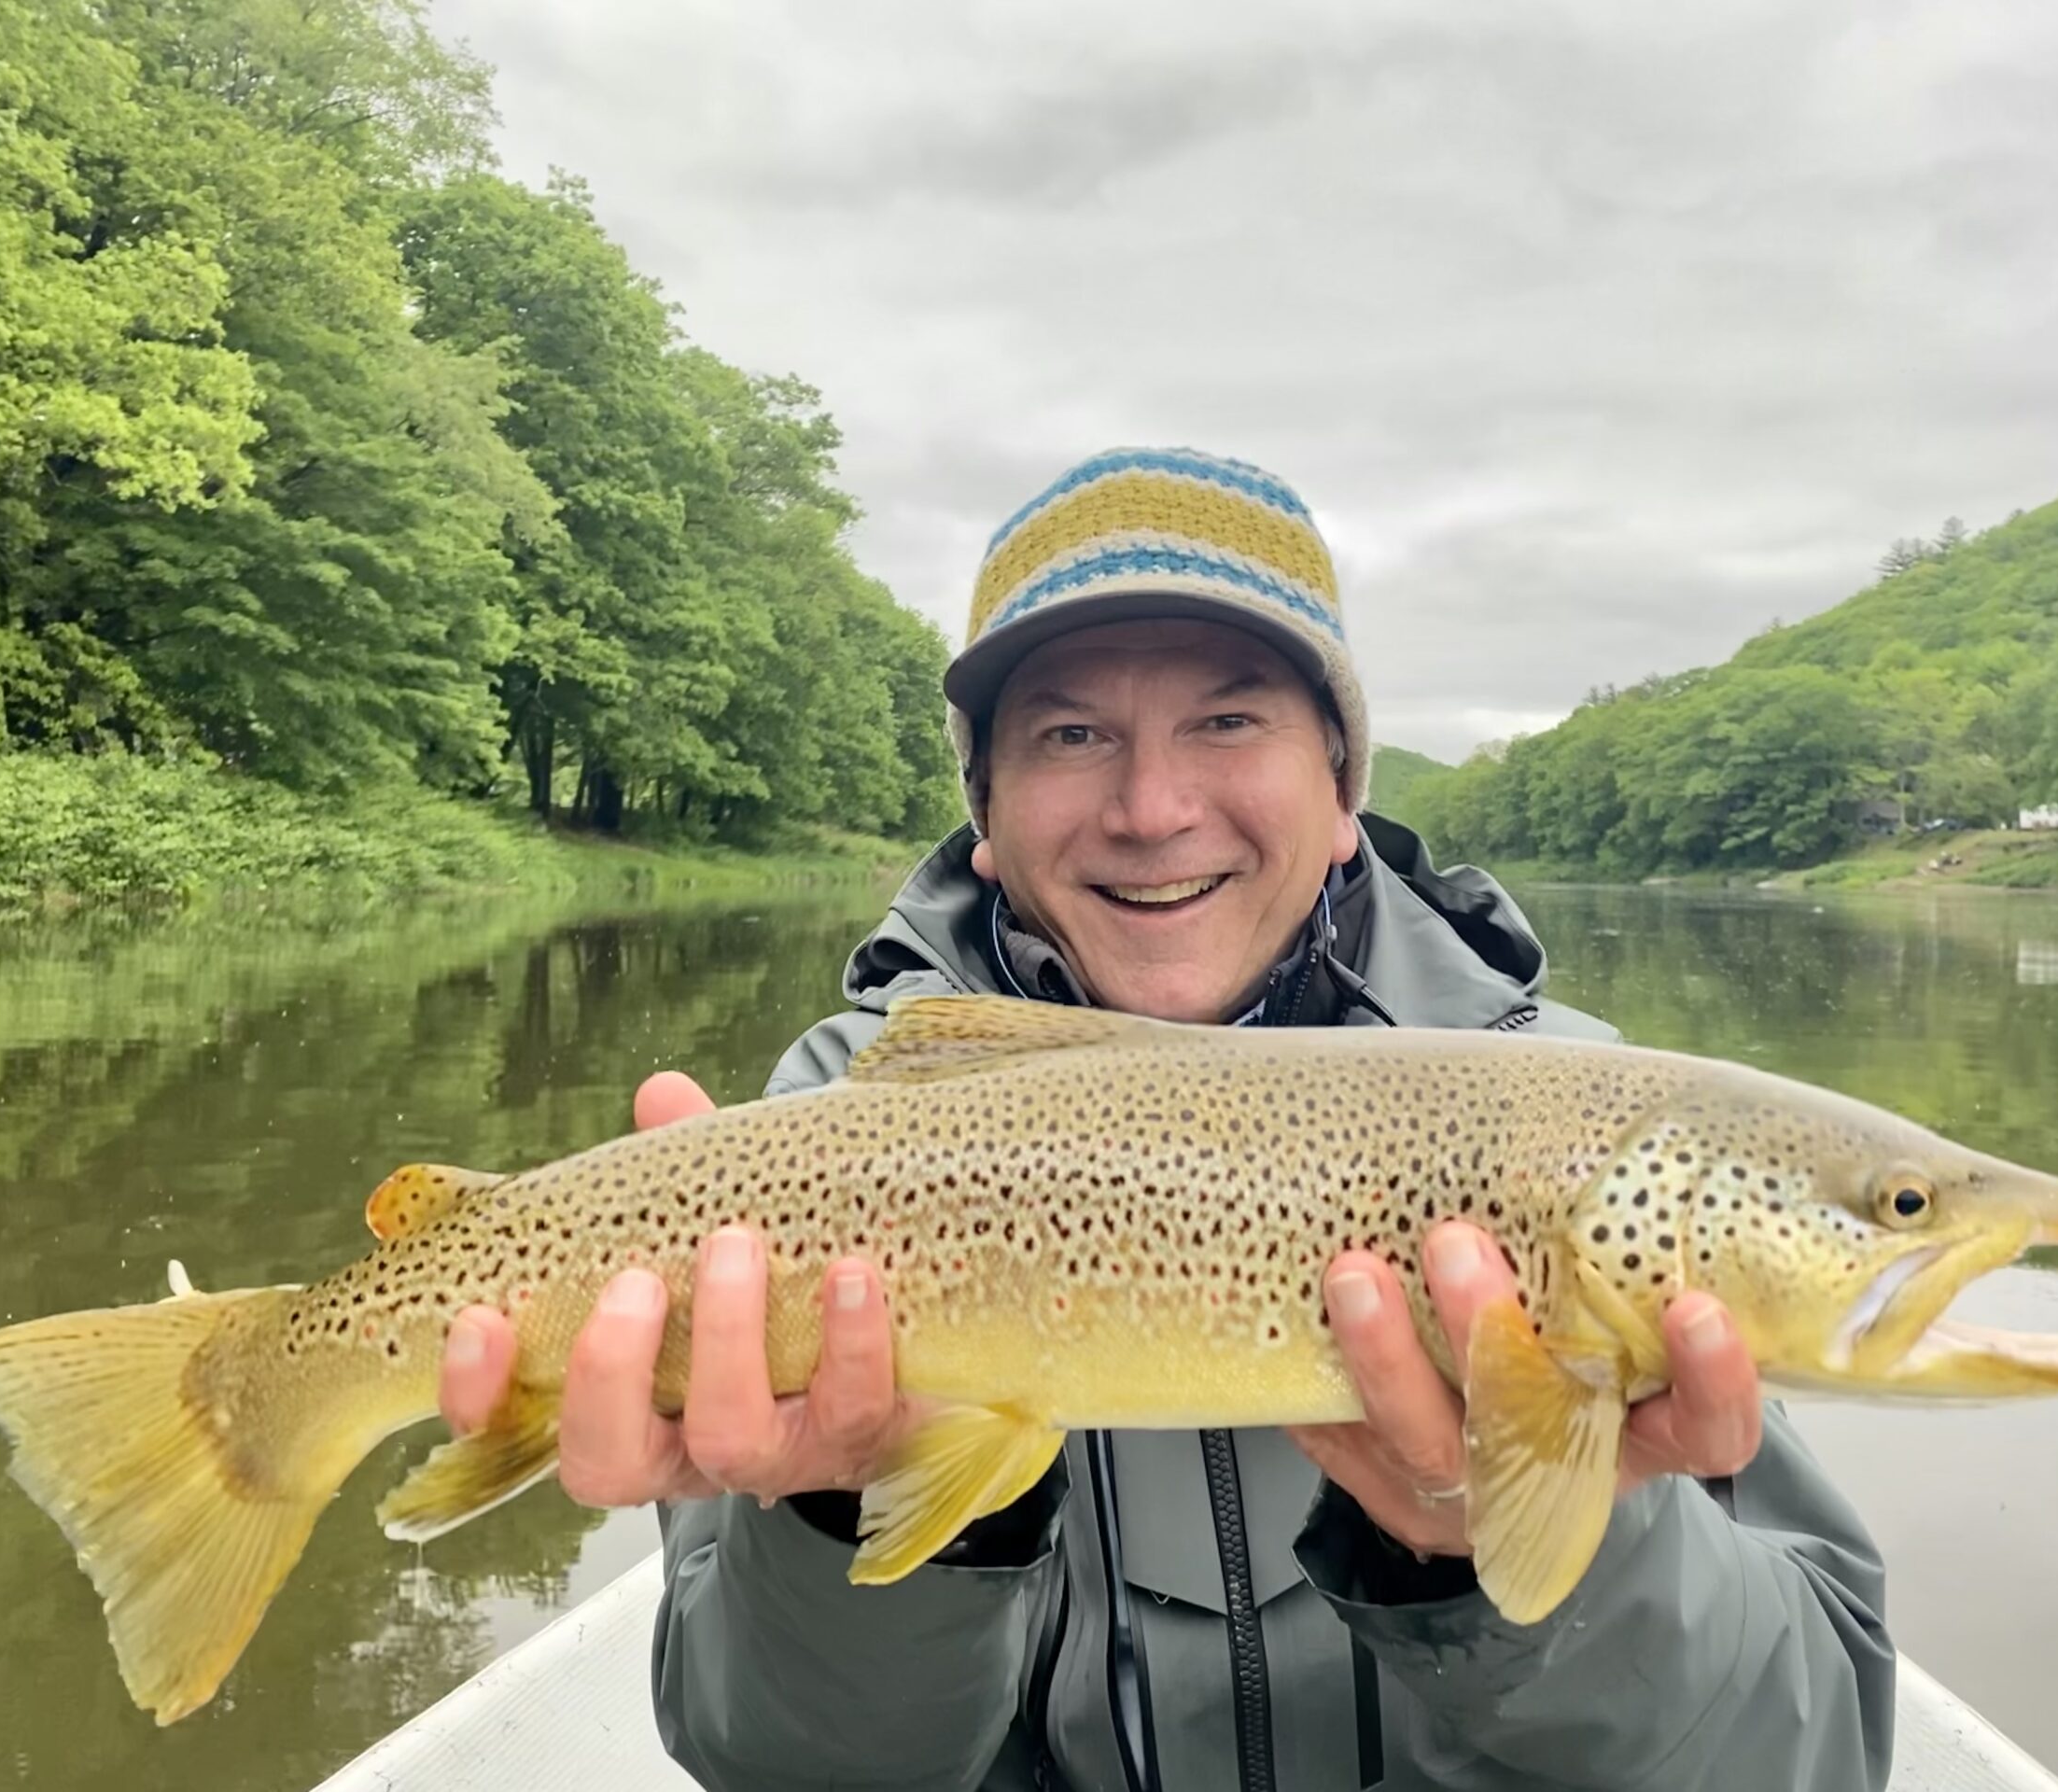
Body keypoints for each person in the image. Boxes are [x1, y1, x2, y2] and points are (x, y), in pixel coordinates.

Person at [438, 447, 1895, 1791]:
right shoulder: (836, 1125)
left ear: (1341, 790)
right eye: (1072, 733)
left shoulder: (1577, 1131)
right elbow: (786, 1768)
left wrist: (1524, 1537)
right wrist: (843, 1514)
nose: (1150, 805)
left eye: (1228, 719)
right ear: (987, 820)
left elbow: (1809, 1756)